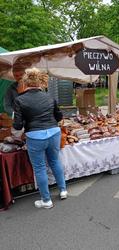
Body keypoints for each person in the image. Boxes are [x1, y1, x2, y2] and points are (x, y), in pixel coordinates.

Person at [13, 68, 67, 209]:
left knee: (40, 167)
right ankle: (63, 190)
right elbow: (59, 117)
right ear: (40, 81)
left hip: (35, 136)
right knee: (55, 161)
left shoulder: (19, 100)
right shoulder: (50, 97)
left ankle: (46, 200)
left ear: (25, 82)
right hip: (54, 133)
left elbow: (17, 126)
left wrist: (20, 119)